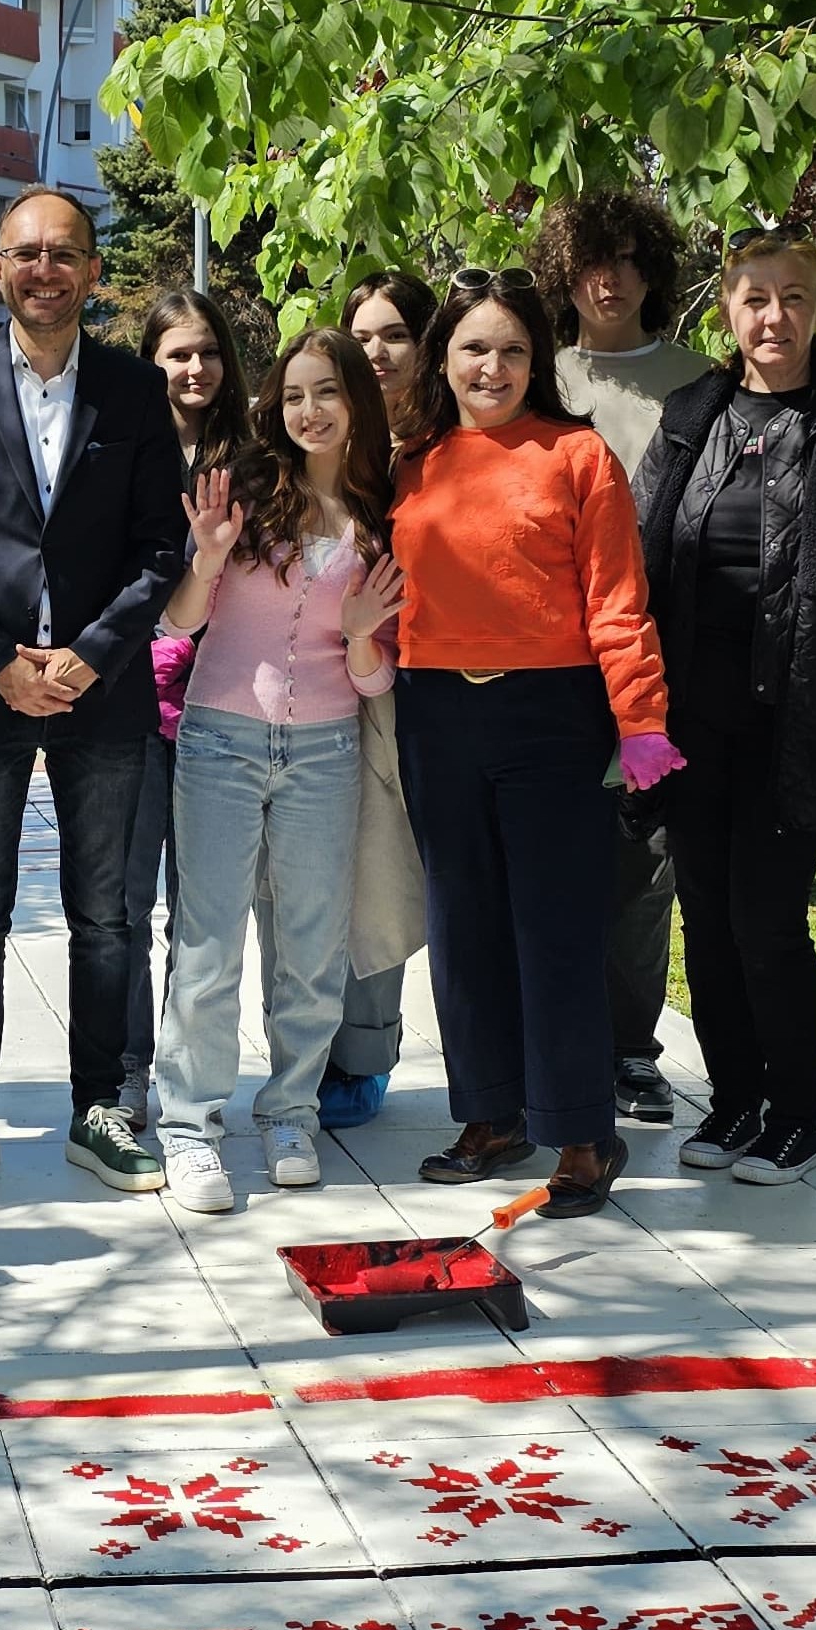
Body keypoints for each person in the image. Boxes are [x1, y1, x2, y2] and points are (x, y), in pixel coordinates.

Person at [0, 186, 191, 1197]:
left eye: (65, 253)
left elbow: (162, 544)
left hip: (100, 693)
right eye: (26, 253)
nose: (45, 271)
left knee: (104, 915)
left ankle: (98, 1107)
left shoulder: (135, 389)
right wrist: (1, 665)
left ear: (94, 272)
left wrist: (93, 654)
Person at [633, 229, 816, 1187]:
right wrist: (631, 708)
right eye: (756, 298)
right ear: (727, 308)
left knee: (765, 922)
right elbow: (635, 557)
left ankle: (795, 1114)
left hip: (796, 722)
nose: (775, 317)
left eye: (794, 297)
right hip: (694, 724)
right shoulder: (693, 414)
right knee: (706, 923)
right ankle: (733, 1103)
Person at [393, 266, 676, 1212]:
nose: (494, 367)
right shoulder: (410, 460)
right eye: (474, 347)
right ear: (443, 357)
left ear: (537, 361)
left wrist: (641, 722)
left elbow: (618, 602)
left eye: (514, 350)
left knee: (554, 927)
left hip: (553, 714)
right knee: (461, 923)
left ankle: (584, 1132)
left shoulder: (577, 455)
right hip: (435, 713)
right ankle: (491, 1115)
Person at [155, 330, 401, 1213]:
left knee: (311, 946)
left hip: (326, 751)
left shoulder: (383, 513)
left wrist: (363, 633)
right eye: (293, 395)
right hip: (219, 742)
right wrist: (207, 559)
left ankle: (291, 1111)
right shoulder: (245, 492)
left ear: (355, 402)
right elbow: (179, 624)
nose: (309, 411)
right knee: (208, 942)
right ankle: (190, 1124)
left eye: (326, 392)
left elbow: (376, 679)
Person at [537, 188, 717, 1133]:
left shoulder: (702, 384)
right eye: (588, 264)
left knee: (644, 871)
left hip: (663, 660)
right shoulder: (535, 375)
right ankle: (549, 1046)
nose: (607, 281)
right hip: (546, 663)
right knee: (550, 868)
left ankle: (632, 1049)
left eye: (627, 261)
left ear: (654, 271)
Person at [319, 270, 444, 1129]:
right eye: (360, 335)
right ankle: (305, 1045)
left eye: (395, 334)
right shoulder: (327, 437)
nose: (376, 352)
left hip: (421, 687)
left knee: (380, 869)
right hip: (323, 684)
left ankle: (364, 1051)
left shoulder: (441, 445)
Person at [122, 287, 251, 1121]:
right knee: (126, 904)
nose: (195, 367)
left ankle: (186, 1068)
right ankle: (130, 1066)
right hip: (133, 709)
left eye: (207, 352)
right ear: (151, 363)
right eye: (177, 354)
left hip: (224, 707)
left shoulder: (255, 459)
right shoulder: (121, 450)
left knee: (203, 914)